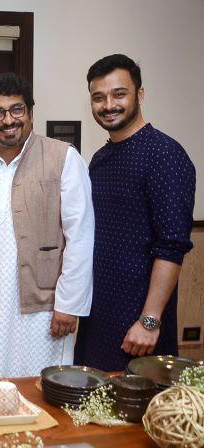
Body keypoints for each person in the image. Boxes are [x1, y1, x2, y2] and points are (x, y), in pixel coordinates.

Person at [0, 73, 94, 379]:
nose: (8, 120)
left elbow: (79, 236)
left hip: (43, 308)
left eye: (17, 109)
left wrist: (69, 305)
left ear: (30, 113)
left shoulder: (64, 158)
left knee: (38, 384)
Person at [74, 54, 196, 371]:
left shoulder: (165, 154)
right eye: (98, 97)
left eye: (119, 94)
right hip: (98, 313)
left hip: (140, 321)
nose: (108, 105)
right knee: (93, 396)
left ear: (140, 95)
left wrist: (150, 320)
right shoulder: (100, 158)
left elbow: (172, 246)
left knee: (136, 399)